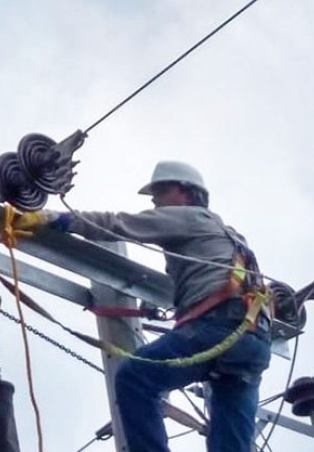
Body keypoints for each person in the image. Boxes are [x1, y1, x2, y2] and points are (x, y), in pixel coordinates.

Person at [14, 160, 272, 452]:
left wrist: (52, 219)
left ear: (186, 193)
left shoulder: (189, 217)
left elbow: (118, 224)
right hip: (253, 343)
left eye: (160, 191)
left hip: (217, 329)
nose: (154, 200)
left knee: (135, 378)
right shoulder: (232, 237)